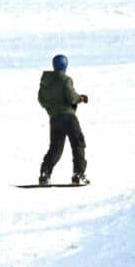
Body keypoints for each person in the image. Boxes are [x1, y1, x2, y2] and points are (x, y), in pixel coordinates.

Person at [37, 53, 89, 185]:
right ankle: (78, 174)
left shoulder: (45, 81)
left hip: (54, 119)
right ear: (65, 66)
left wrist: (52, 109)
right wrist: (81, 98)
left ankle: (44, 174)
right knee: (78, 144)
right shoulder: (65, 80)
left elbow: (41, 100)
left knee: (55, 148)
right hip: (69, 117)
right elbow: (71, 97)